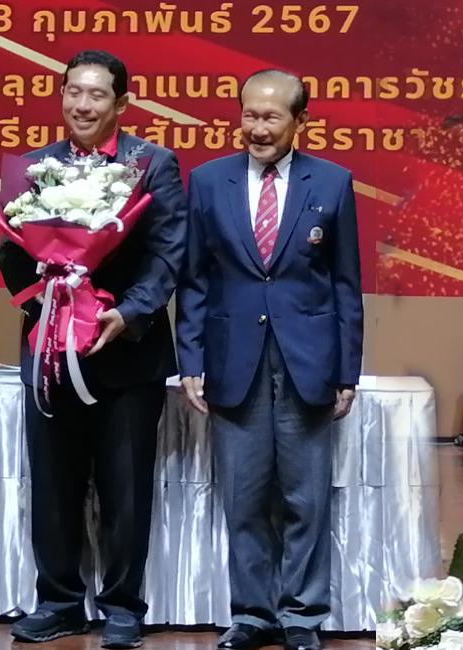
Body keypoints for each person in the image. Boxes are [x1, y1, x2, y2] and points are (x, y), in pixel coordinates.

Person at [0, 49, 187, 650]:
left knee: (125, 488)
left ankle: (123, 607)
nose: (82, 104)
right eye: (73, 92)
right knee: (53, 485)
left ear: (121, 103)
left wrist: (127, 312)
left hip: (127, 352)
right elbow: (9, 248)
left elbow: (168, 252)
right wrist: (49, 302)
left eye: (97, 94)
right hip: (52, 351)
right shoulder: (34, 167)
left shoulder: (151, 164)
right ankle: (57, 602)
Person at [175, 69, 364, 650]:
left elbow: (345, 285)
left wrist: (347, 371)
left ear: (300, 121)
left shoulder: (331, 182)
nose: (257, 129)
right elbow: (194, 279)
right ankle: (253, 614)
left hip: (308, 361)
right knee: (245, 497)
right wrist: (190, 361)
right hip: (233, 360)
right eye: (249, 116)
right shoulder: (209, 181)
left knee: (306, 499)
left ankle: (302, 616)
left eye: (271, 117)